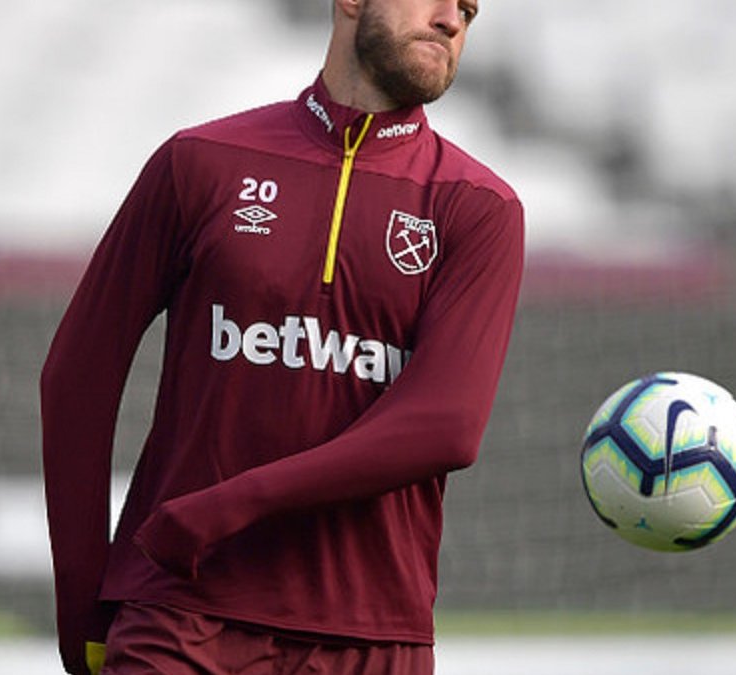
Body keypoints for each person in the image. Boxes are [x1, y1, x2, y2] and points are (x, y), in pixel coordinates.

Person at [41, 0, 523, 673]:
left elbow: (444, 428)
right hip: (179, 617)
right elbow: (78, 376)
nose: (452, 19)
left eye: (470, 10)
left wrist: (232, 503)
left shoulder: (478, 207)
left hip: (370, 636)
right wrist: (80, 609)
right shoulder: (200, 161)